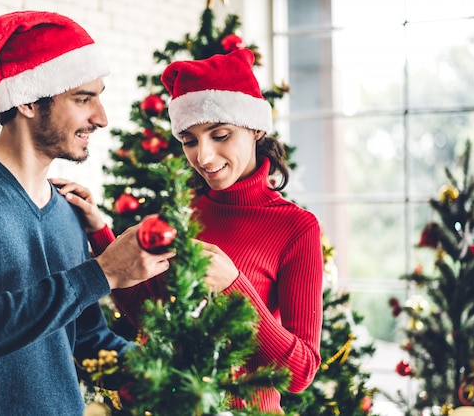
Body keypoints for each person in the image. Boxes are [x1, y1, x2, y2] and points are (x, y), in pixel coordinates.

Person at [0, 11, 173, 416]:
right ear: (27, 99)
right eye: (83, 99)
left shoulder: (67, 211)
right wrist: (101, 274)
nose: (101, 118)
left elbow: (87, 340)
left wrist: (179, 374)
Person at [57, 48, 323, 413]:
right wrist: (99, 230)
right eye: (190, 140)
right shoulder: (183, 213)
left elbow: (301, 373)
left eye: (220, 135)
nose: (205, 157)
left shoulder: (296, 228)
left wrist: (235, 288)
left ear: (256, 127)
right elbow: (147, 315)